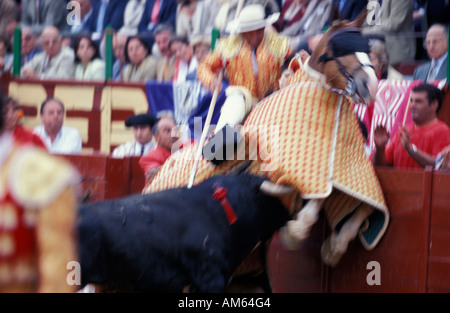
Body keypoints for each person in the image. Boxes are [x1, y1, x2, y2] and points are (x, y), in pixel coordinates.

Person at [0, 92, 79, 293]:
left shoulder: (48, 174)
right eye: (51, 112)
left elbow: (59, 271)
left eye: (59, 112)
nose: (56, 116)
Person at [197, 4, 291, 162]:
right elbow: (203, 67)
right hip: (242, 95)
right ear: (242, 32)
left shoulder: (279, 43)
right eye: (250, 32)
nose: (255, 35)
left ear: (263, 28)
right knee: (234, 104)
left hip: (274, 97)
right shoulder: (228, 45)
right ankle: (217, 151)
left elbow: (293, 64)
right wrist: (211, 79)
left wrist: (289, 75)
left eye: (258, 30)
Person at [372, 84, 450, 169]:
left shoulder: (442, 131)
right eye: (411, 101)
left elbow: (440, 166)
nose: (412, 105)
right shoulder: (403, 131)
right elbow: (381, 166)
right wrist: (380, 149)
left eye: (418, 101)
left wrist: (410, 149)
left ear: (434, 104)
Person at [362, 0, 416, 66]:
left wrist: (364, 31)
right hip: (374, 52)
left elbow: (393, 25)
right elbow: (369, 22)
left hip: (396, 54)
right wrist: (356, 29)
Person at [139, 114, 178, 182]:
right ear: (157, 137)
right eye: (167, 130)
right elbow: (152, 174)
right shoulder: (151, 156)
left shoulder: (186, 147)